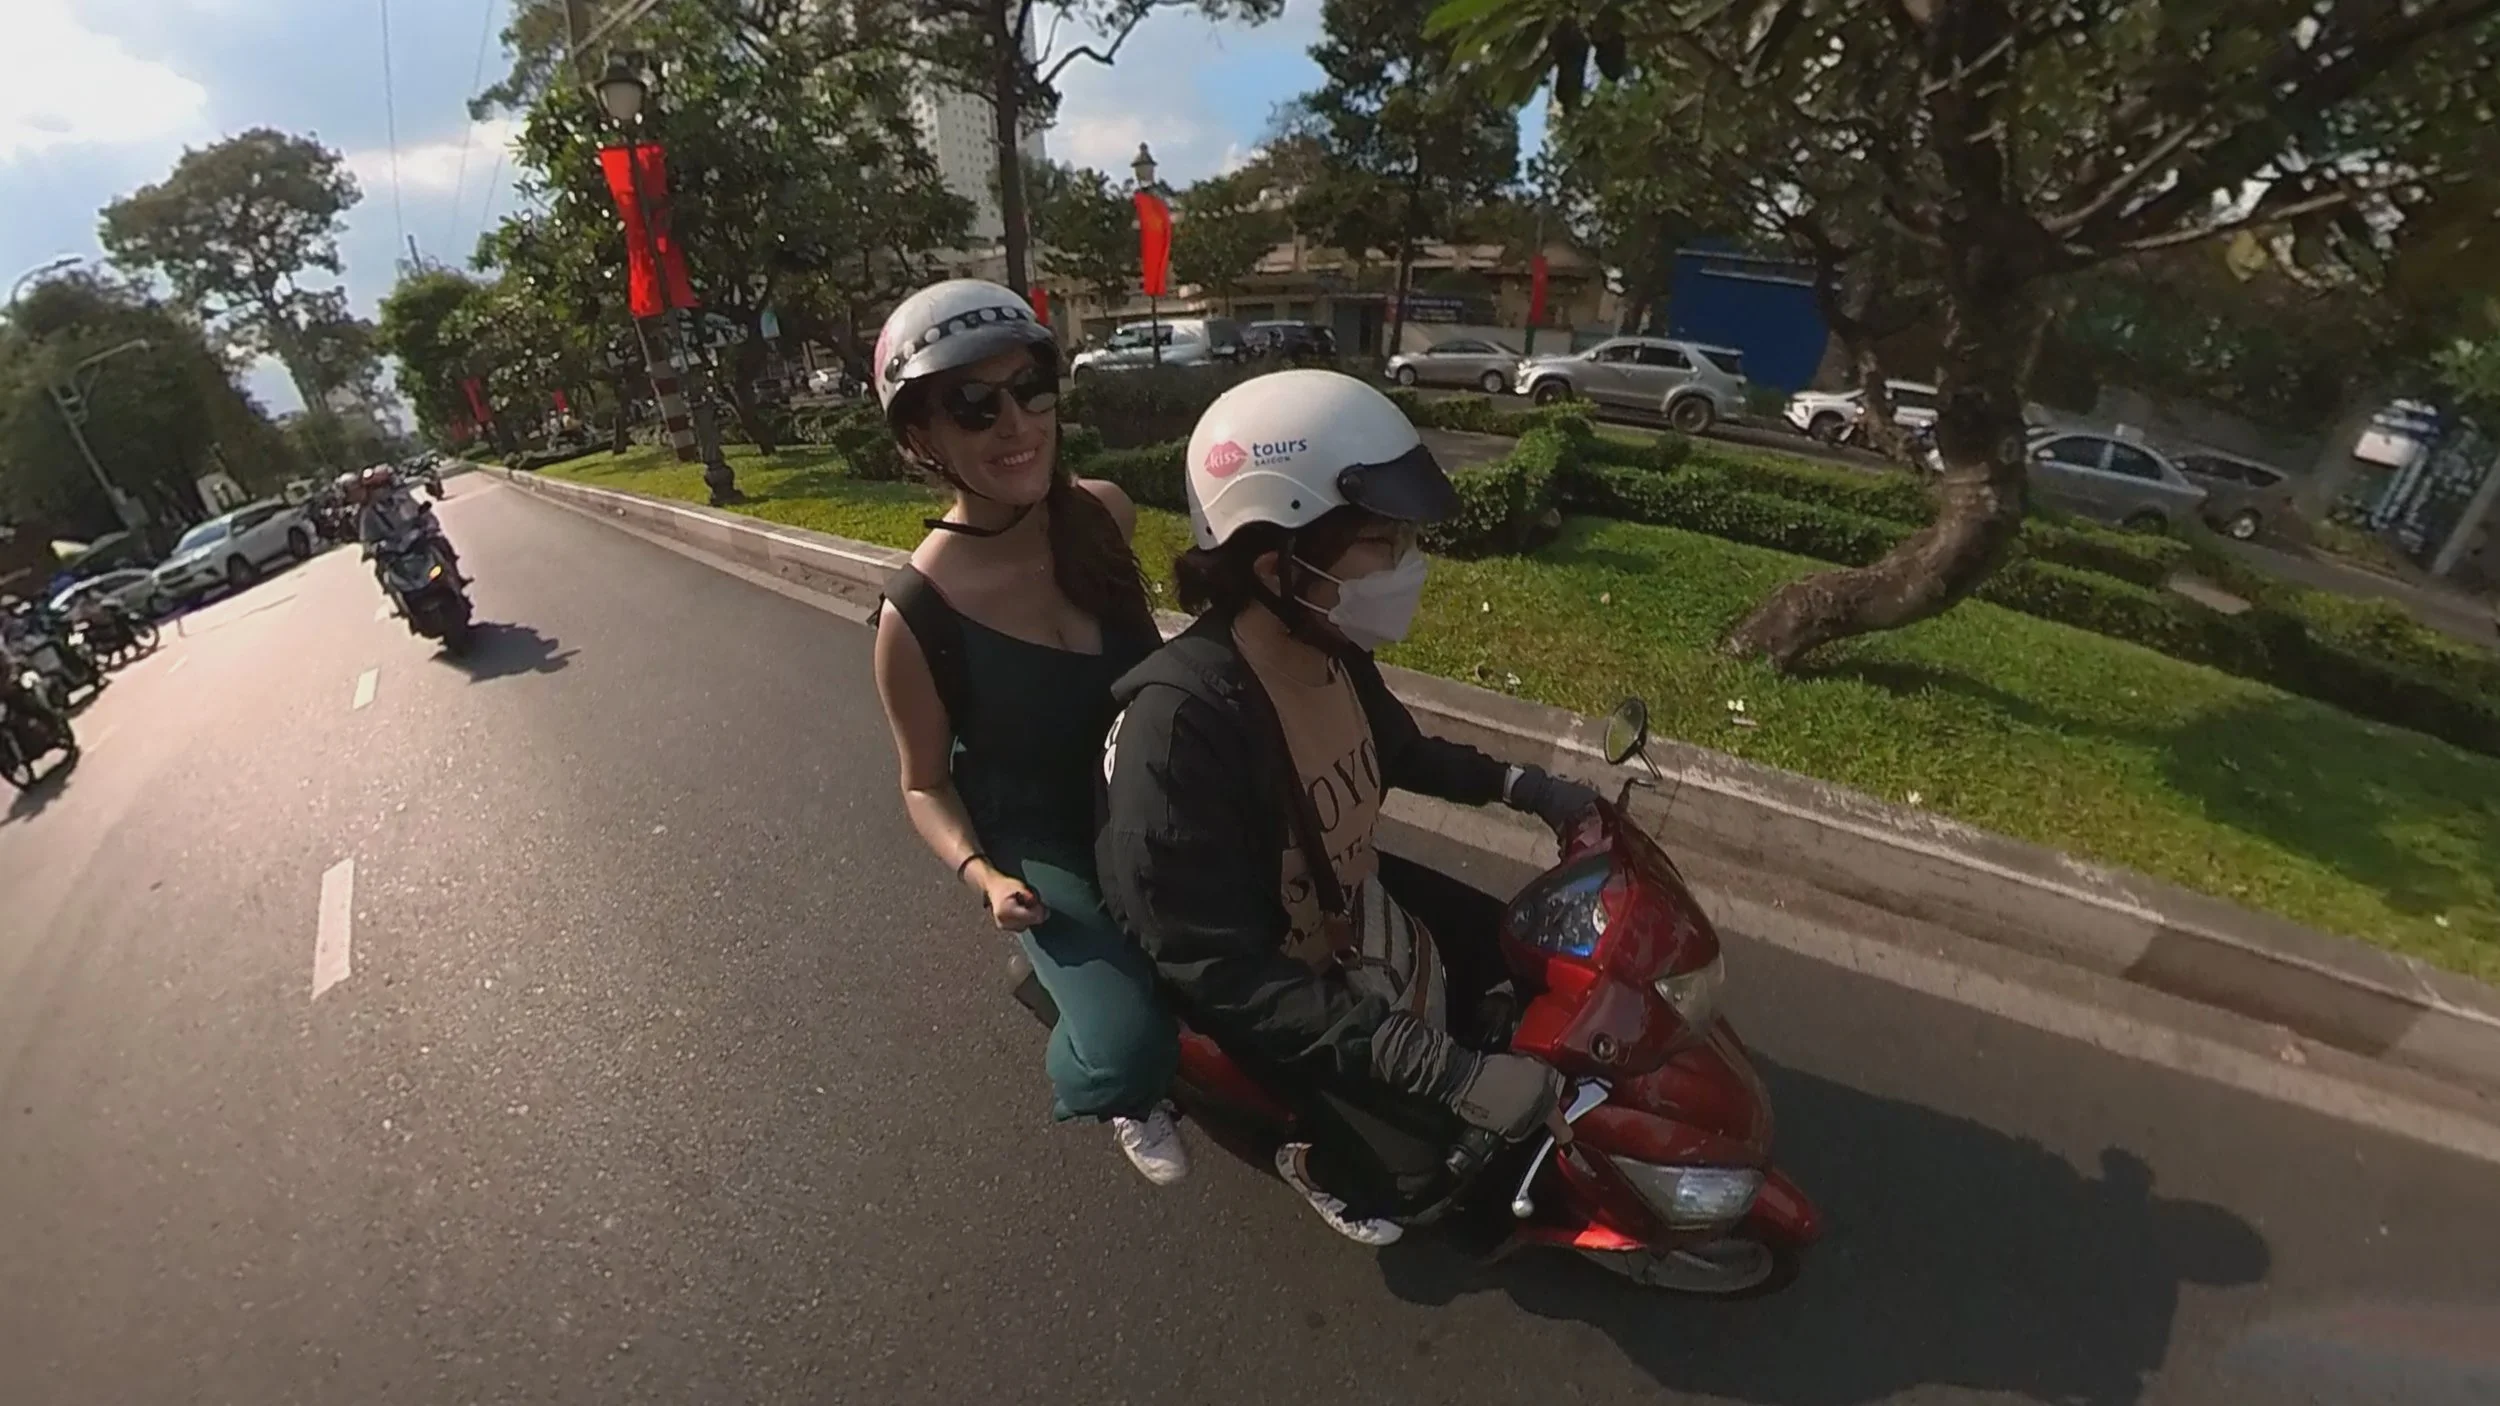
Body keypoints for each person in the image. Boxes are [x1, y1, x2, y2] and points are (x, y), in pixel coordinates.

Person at [1096, 370, 1601, 1246]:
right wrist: (1441, 1072)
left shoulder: (1324, 642)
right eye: (1383, 541)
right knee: (1411, 1171)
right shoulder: (1181, 730)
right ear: (1274, 562)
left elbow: (1398, 750)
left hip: (1346, 903)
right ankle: (1310, 1159)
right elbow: (1215, 970)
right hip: (1272, 979)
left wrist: (1528, 788)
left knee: (1521, 960)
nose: (1407, 565)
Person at [867, 280, 1186, 1185]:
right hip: (1046, 839)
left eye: (1029, 389)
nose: (1014, 425)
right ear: (924, 440)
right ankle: (1080, 1038)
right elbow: (924, 783)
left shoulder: (1103, 514)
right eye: (974, 406)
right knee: (1130, 1053)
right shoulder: (917, 615)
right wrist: (988, 877)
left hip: (1152, 790)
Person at [353, 465, 465, 591]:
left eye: (382, 485)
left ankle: (457, 577)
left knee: (440, 543)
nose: (379, 491)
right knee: (380, 571)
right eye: (374, 488)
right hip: (394, 550)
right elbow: (366, 538)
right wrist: (371, 550)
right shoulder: (367, 513)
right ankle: (395, 597)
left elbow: (423, 514)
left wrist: (428, 526)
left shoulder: (403, 497)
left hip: (416, 540)